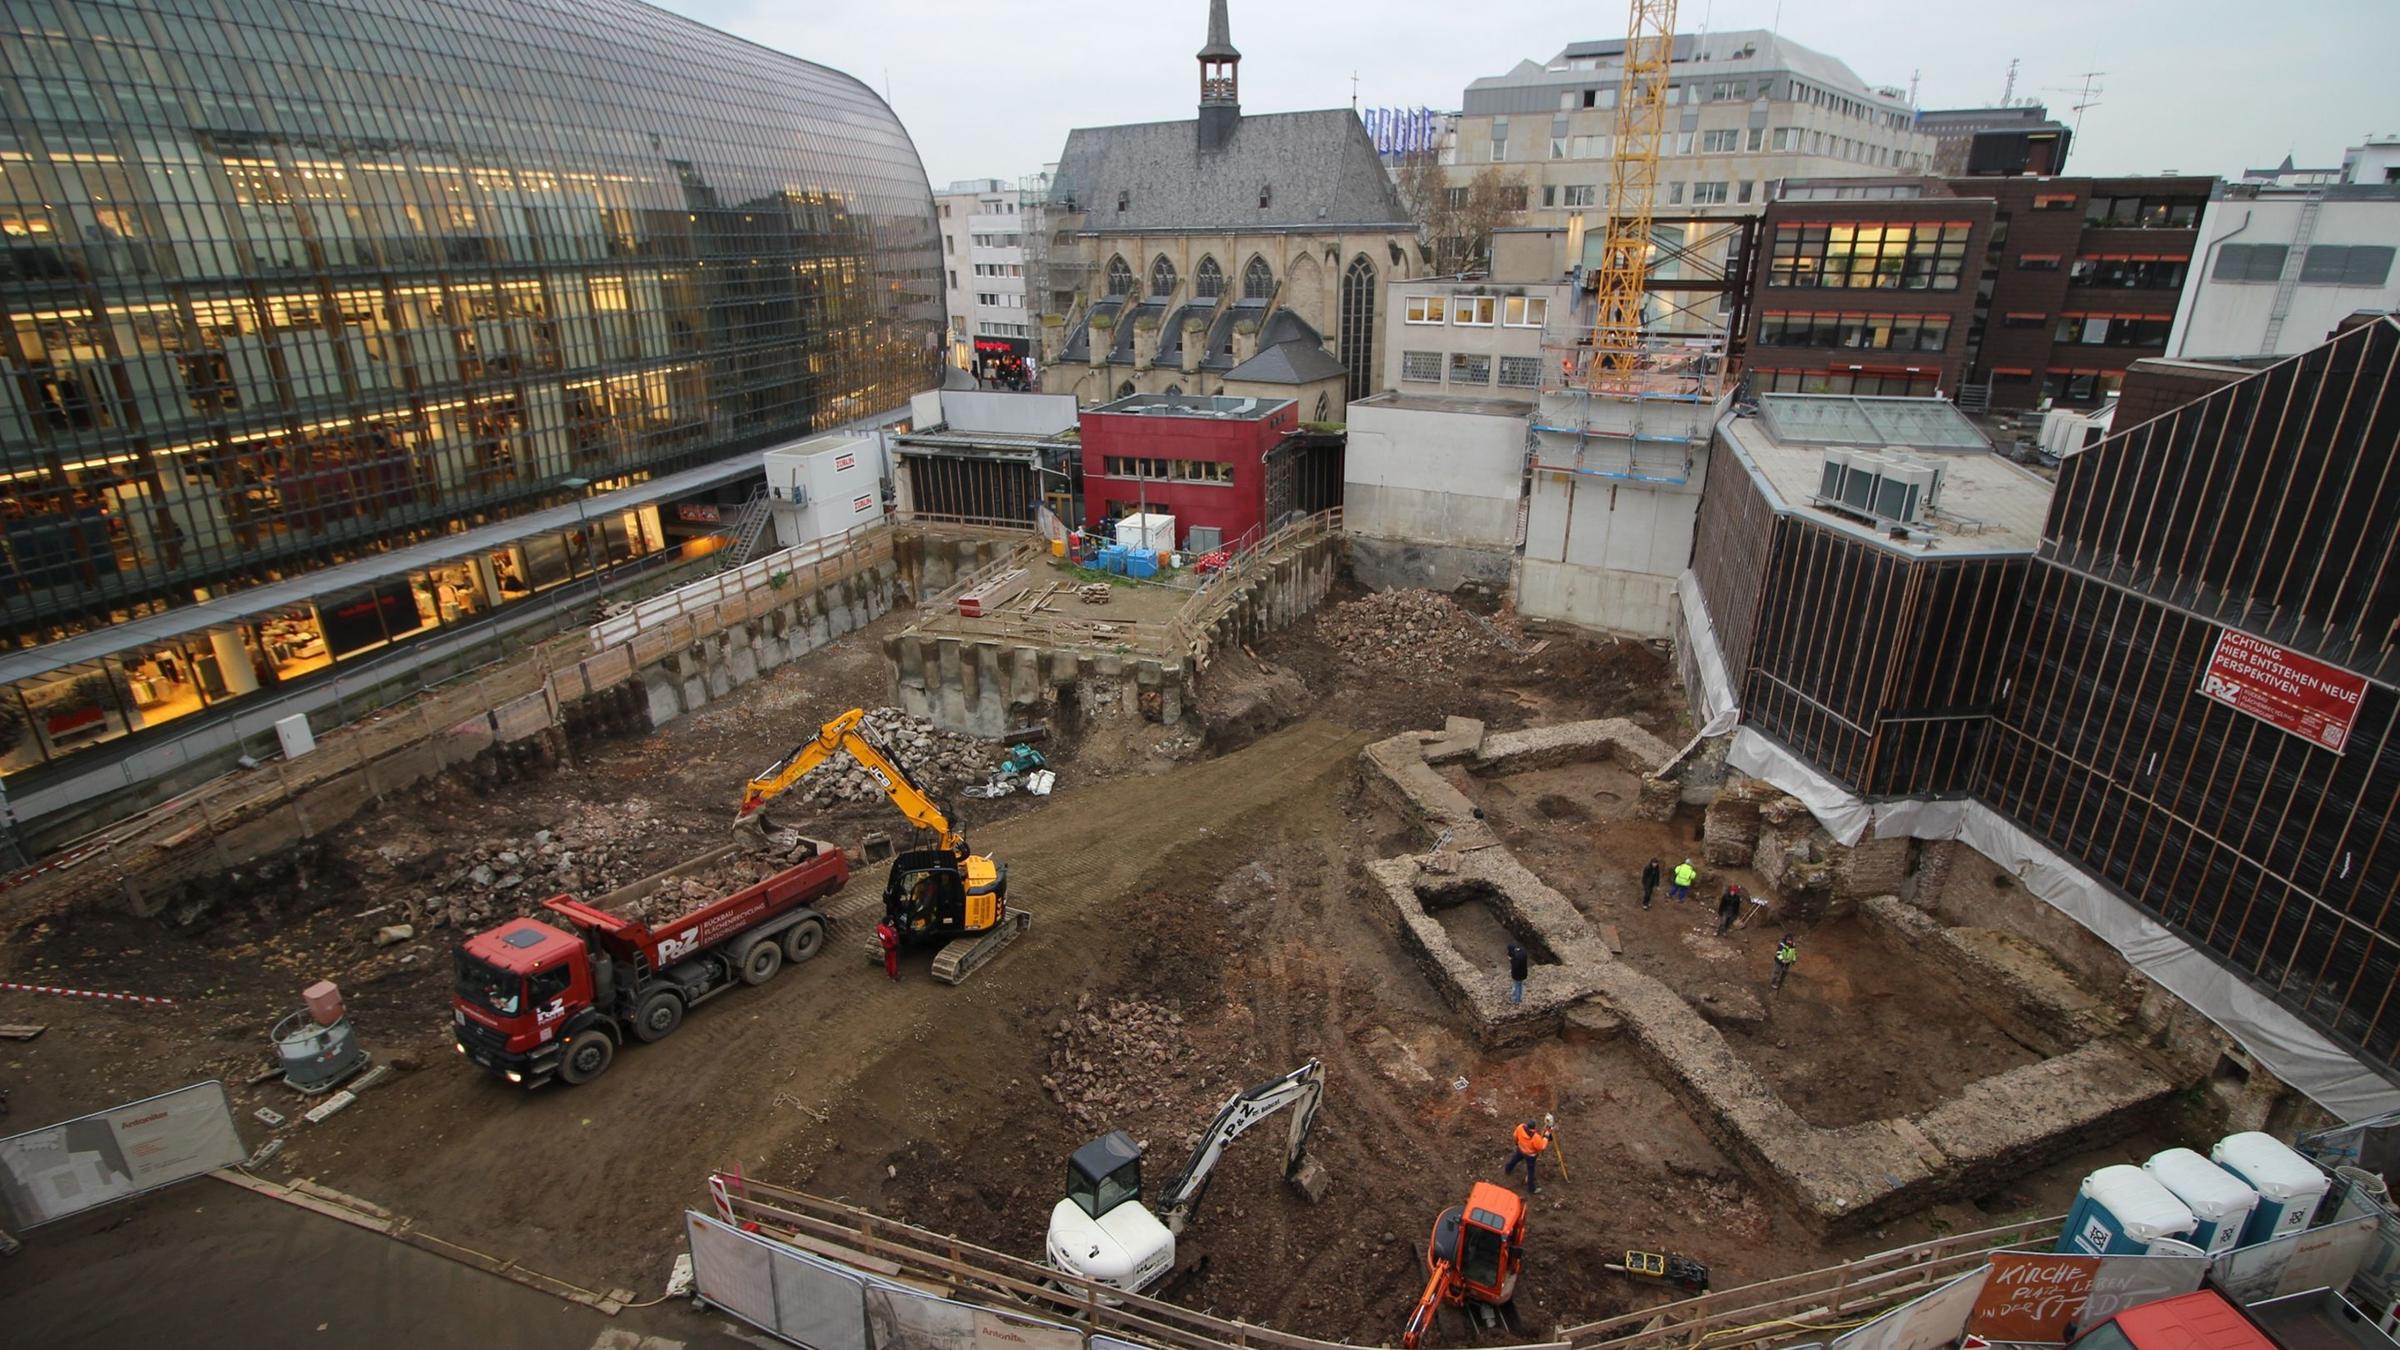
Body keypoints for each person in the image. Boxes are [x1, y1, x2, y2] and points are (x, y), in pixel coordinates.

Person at [1504, 1118, 1551, 1194]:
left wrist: (1516, 1143)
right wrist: (1546, 1136)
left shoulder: (1520, 1127)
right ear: (1534, 1127)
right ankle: (1531, 1189)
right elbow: (1541, 1147)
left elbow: (1515, 1136)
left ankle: (1507, 1169)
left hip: (1521, 1149)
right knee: (1530, 1171)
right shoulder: (1535, 1137)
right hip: (1530, 1156)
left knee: (1514, 1159)